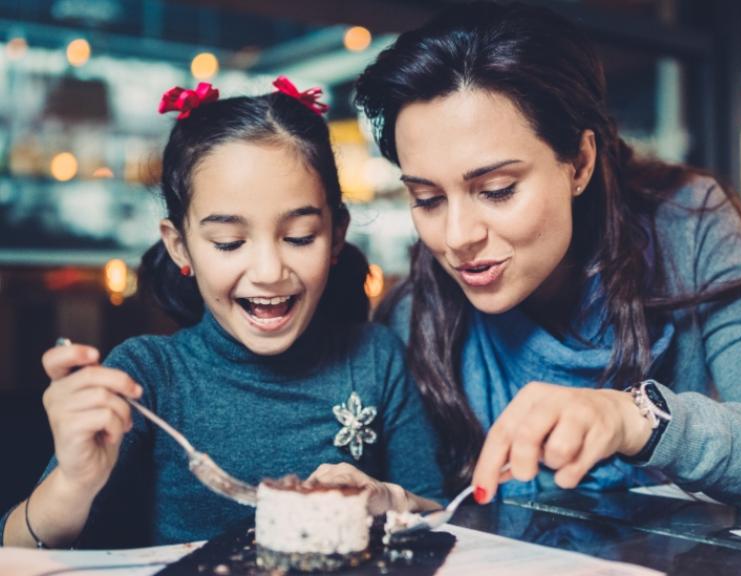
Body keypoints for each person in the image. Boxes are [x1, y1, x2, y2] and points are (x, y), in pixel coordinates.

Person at [354, 1, 741, 507]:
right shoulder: (414, 314)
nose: (457, 237)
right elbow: (434, 505)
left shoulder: (689, 226)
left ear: (579, 163)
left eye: (498, 189)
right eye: (427, 199)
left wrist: (632, 418)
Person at [0, 78, 442, 548]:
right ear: (180, 246)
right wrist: (73, 484)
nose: (270, 271)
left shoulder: (375, 358)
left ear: (336, 236)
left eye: (299, 237)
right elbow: (14, 552)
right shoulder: (148, 377)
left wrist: (386, 499)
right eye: (230, 243)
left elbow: (441, 518)